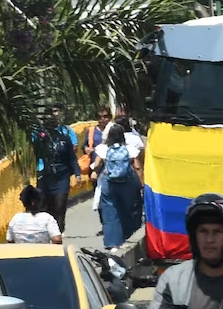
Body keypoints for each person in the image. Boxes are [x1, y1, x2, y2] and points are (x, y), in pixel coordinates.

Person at [31, 103, 81, 233]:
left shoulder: (64, 137)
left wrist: (77, 174)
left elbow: (72, 157)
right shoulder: (39, 137)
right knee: (45, 207)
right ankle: (47, 232)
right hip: (45, 175)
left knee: (60, 206)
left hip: (62, 176)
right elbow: (32, 146)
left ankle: (58, 232)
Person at [91, 126, 143, 251]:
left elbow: (96, 165)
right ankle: (125, 238)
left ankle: (111, 243)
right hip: (127, 184)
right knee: (127, 211)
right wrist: (142, 184)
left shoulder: (103, 149)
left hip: (109, 184)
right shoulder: (130, 149)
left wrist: (95, 171)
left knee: (110, 213)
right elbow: (137, 168)